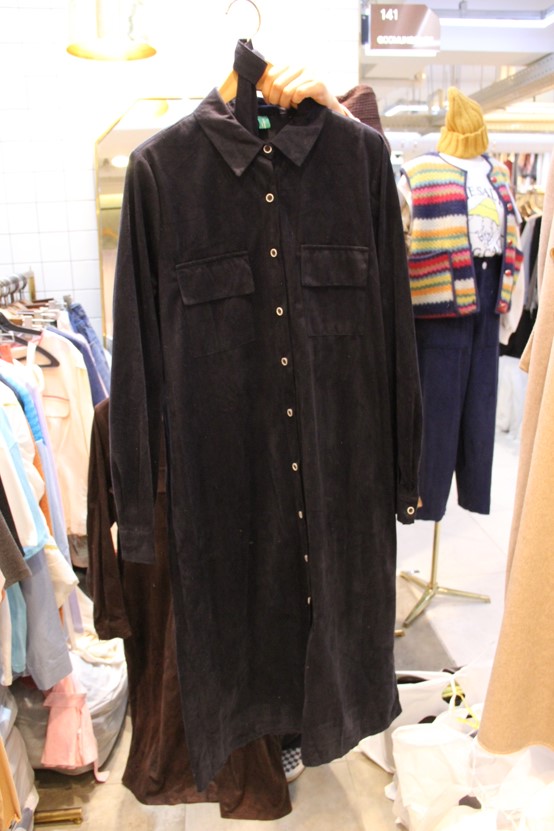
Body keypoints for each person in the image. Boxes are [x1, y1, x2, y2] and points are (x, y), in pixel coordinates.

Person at [398, 87, 524, 522]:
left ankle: (472, 494)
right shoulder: (419, 173)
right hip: (437, 309)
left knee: (479, 409)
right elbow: (399, 244)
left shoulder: (499, 174)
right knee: (437, 410)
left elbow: (513, 245)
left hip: (487, 304)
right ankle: (426, 502)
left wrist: (507, 312)